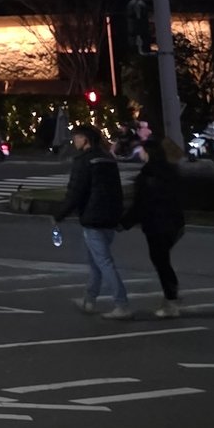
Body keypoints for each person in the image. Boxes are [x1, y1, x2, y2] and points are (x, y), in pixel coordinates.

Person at [54, 124, 130, 318]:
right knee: (96, 261)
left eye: (77, 137)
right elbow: (117, 189)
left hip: (93, 216)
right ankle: (89, 300)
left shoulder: (83, 161)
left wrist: (60, 214)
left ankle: (122, 304)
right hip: (110, 216)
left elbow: (76, 191)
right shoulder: (108, 159)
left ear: (85, 139)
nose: (74, 141)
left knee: (103, 261)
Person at [121, 137, 185, 319]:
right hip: (174, 223)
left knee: (161, 261)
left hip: (157, 224)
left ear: (149, 153)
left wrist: (124, 223)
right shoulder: (170, 171)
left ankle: (171, 300)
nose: (140, 153)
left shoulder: (148, 175)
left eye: (142, 150)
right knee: (162, 260)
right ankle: (171, 296)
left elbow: (141, 204)